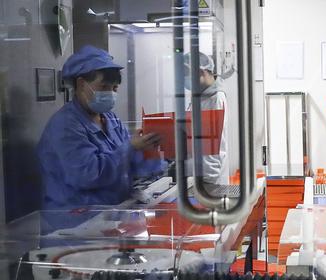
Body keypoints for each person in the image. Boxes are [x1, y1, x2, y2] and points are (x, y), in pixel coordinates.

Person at [37, 45, 165, 210]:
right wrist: (130, 147)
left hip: (109, 216)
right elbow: (88, 175)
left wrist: (149, 148)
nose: (111, 93)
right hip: (73, 222)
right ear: (81, 84)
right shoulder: (65, 126)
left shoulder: (111, 119)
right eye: (104, 87)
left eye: (114, 88)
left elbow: (134, 167)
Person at [183, 52, 229, 186]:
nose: (185, 79)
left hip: (210, 178)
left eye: (187, 73)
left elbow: (211, 144)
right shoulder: (202, 97)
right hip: (201, 175)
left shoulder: (215, 99)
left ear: (201, 71)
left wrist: (208, 178)